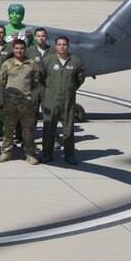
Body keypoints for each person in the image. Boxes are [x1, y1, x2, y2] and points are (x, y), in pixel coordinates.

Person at [41, 36, 86, 165]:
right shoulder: (48, 61)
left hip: (68, 101)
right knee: (49, 128)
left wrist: (70, 89)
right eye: (59, 44)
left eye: (64, 44)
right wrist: (51, 89)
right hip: (51, 100)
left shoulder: (75, 62)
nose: (62, 47)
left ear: (68, 46)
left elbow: (80, 79)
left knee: (68, 129)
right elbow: (41, 77)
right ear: (56, 46)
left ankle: (69, 156)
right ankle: (47, 154)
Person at [0, 39, 41, 164]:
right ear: (13, 49)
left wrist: (25, 92)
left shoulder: (31, 64)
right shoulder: (7, 64)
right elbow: (3, 81)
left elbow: (35, 81)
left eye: (21, 48)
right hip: (10, 102)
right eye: (16, 48)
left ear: (25, 49)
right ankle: (6, 152)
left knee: (28, 129)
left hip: (26, 102)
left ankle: (30, 154)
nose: (19, 51)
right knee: (8, 129)